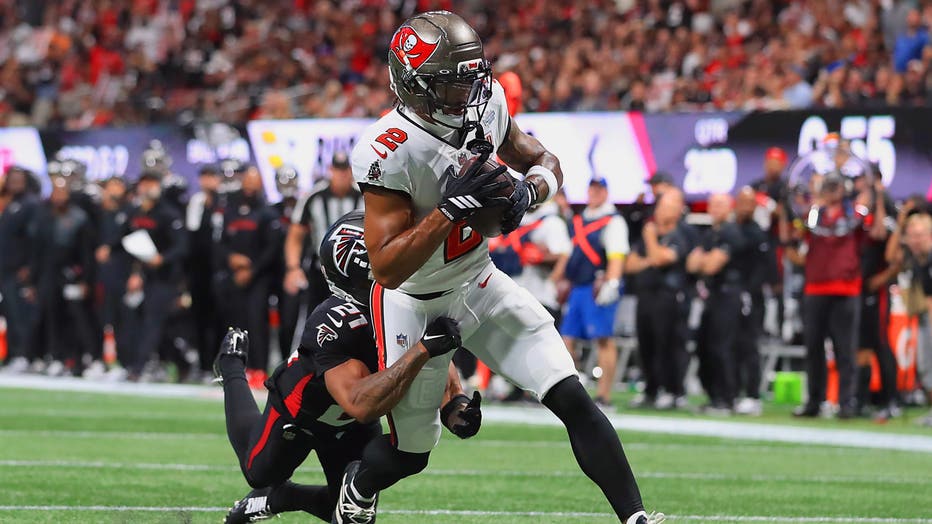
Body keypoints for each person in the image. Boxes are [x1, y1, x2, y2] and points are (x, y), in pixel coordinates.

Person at [343, 12, 661, 524]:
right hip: (414, 304)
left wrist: (528, 191)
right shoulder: (389, 148)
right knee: (412, 453)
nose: (469, 90)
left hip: (480, 280)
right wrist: (449, 210)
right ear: (415, 86)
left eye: (473, 75)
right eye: (453, 82)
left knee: (570, 393)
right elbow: (385, 269)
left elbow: (542, 157)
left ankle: (639, 518)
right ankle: (359, 482)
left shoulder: (485, 101)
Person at [214, 211, 475, 523]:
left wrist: (456, 406)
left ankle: (281, 497)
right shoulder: (335, 322)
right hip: (303, 413)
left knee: (350, 514)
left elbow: (438, 368)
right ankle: (230, 366)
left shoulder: (410, 307)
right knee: (257, 472)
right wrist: (421, 348)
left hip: (351, 424)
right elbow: (360, 403)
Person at [780, 172, 887, 418]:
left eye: (835, 186)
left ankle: (846, 403)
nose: (831, 191)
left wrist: (877, 196)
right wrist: (788, 205)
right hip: (815, 288)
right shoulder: (813, 215)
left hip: (845, 289)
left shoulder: (852, 216)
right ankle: (814, 401)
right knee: (813, 347)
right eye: (827, 186)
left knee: (845, 348)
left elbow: (877, 232)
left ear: (843, 189)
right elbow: (790, 237)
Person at [555, 176, 629, 407]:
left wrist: (612, 282)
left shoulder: (613, 221)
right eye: (592, 189)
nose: (594, 194)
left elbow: (617, 254)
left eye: (599, 190)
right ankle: (576, 388)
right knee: (567, 338)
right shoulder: (580, 220)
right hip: (578, 286)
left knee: (603, 339)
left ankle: (604, 395)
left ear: (606, 193)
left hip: (598, 286)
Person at [117, 169, 190, 381]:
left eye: (152, 182)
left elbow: (182, 247)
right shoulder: (135, 213)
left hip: (166, 277)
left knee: (152, 321)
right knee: (156, 325)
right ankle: (182, 362)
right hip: (142, 276)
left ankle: (137, 368)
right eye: (144, 182)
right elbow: (125, 242)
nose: (148, 187)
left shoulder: (169, 213)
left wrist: (163, 258)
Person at [625, 189, 694, 410]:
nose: (660, 211)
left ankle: (672, 390)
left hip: (668, 296)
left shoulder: (679, 234)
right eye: (661, 206)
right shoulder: (652, 233)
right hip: (646, 294)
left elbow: (662, 258)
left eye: (667, 206)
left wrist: (650, 240)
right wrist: (651, 259)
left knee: (668, 344)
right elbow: (630, 264)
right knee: (645, 344)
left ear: (676, 211)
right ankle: (651, 389)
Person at [215, 167, 282, 387]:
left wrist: (251, 271)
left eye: (255, 182)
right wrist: (231, 258)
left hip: (259, 278)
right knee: (234, 323)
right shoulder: (231, 211)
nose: (251, 186)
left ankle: (259, 369)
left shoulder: (267, 213)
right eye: (248, 181)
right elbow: (221, 243)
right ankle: (235, 368)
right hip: (234, 277)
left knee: (256, 323)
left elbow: (272, 249)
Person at [30, 176, 99, 376]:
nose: (58, 196)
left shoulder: (78, 218)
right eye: (55, 191)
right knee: (52, 316)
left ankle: (87, 358)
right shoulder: (45, 217)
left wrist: (86, 279)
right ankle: (57, 356)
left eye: (62, 191)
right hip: (49, 274)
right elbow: (38, 251)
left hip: (72, 273)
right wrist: (34, 278)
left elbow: (87, 253)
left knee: (79, 318)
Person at [284, 152, 364, 319]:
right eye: (337, 170)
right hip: (321, 270)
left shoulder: (364, 196)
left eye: (345, 170)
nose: (342, 175)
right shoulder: (314, 197)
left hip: (357, 270)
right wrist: (293, 268)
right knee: (315, 316)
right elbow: (295, 235)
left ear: (351, 170)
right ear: (330, 170)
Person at [687, 193, 747, 415]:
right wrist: (705, 260)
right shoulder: (711, 233)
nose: (715, 208)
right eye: (712, 204)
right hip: (712, 296)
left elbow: (711, 265)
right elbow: (692, 264)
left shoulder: (731, 232)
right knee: (706, 346)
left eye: (720, 204)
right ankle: (714, 396)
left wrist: (705, 260)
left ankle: (727, 397)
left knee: (723, 346)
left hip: (728, 295)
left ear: (729, 206)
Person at [886, 205, 932, 426]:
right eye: (912, 236)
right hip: (925, 315)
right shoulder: (919, 259)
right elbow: (890, 256)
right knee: (925, 368)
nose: (915, 240)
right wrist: (900, 224)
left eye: (920, 235)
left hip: (929, 316)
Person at [732, 187, 770, 416]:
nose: (745, 206)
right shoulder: (732, 229)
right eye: (742, 202)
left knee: (750, 346)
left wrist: (749, 291)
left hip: (752, 297)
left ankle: (753, 394)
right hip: (735, 296)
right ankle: (734, 391)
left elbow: (763, 268)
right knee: (733, 345)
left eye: (749, 203)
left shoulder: (757, 233)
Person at [186, 164, 224, 377]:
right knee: (199, 317)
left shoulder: (225, 203)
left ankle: (218, 364)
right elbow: (192, 236)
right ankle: (202, 365)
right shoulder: (196, 202)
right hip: (199, 270)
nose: (208, 182)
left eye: (212, 177)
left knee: (219, 319)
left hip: (218, 269)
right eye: (205, 177)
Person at [0, 167, 40, 372]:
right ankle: (12, 354)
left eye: (18, 179)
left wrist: (29, 267)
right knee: (8, 313)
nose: (14, 183)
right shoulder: (11, 204)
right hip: (5, 268)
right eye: (11, 179)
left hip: (18, 269)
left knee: (20, 315)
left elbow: (34, 240)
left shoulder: (30, 204)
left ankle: (24, 354)